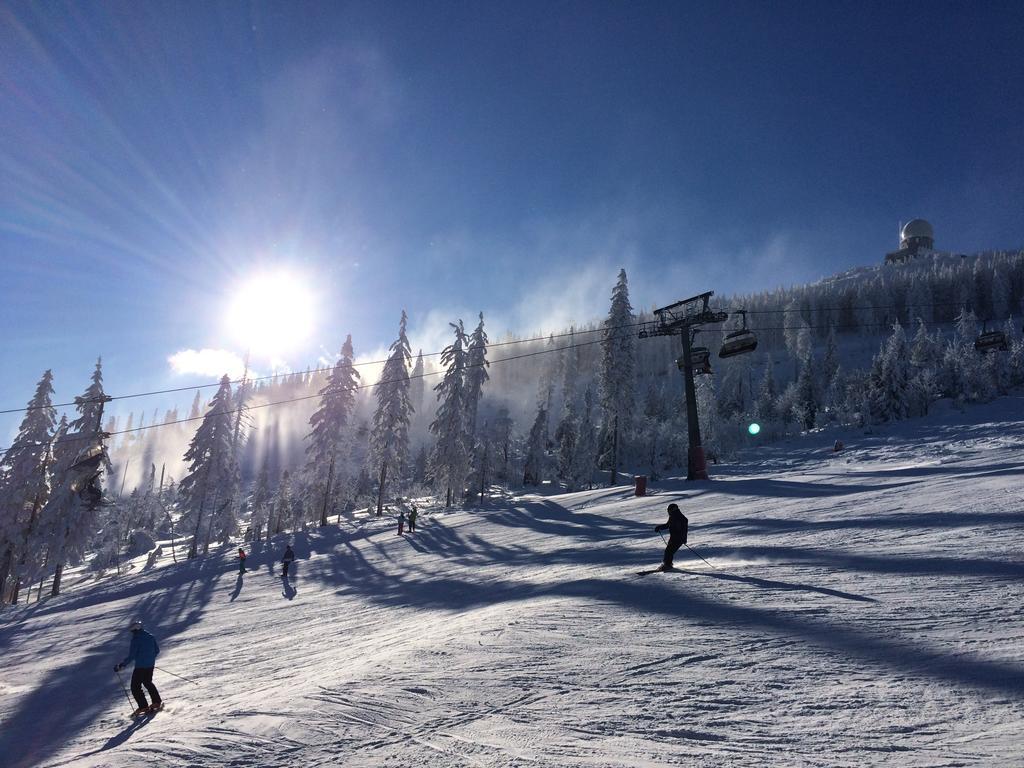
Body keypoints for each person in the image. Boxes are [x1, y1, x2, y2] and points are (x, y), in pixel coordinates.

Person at [115, 619, 162, 716]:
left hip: (140, 667)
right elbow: (157, 650)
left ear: (134, 630)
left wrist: (121, 665)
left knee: (135, 687)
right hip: (150, 665)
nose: (132, 633)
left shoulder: (136, 640)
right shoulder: (150, 636)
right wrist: (149, 659)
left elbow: (132, 656)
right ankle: (156, 702)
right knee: (148, 682)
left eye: (132, 631)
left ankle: (143, 706)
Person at [654, 502, 688, 571]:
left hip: (678, 539)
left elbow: (684, 530)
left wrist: (683, 539)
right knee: (669, 551)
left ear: (672, 510)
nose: (668, 512)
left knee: (669, 551)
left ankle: (667, 565)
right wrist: (659, 527)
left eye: (669, 510)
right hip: (673, 538)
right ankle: (667, 564)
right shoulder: (672, 517)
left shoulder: (681, 518)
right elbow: (667, 525)